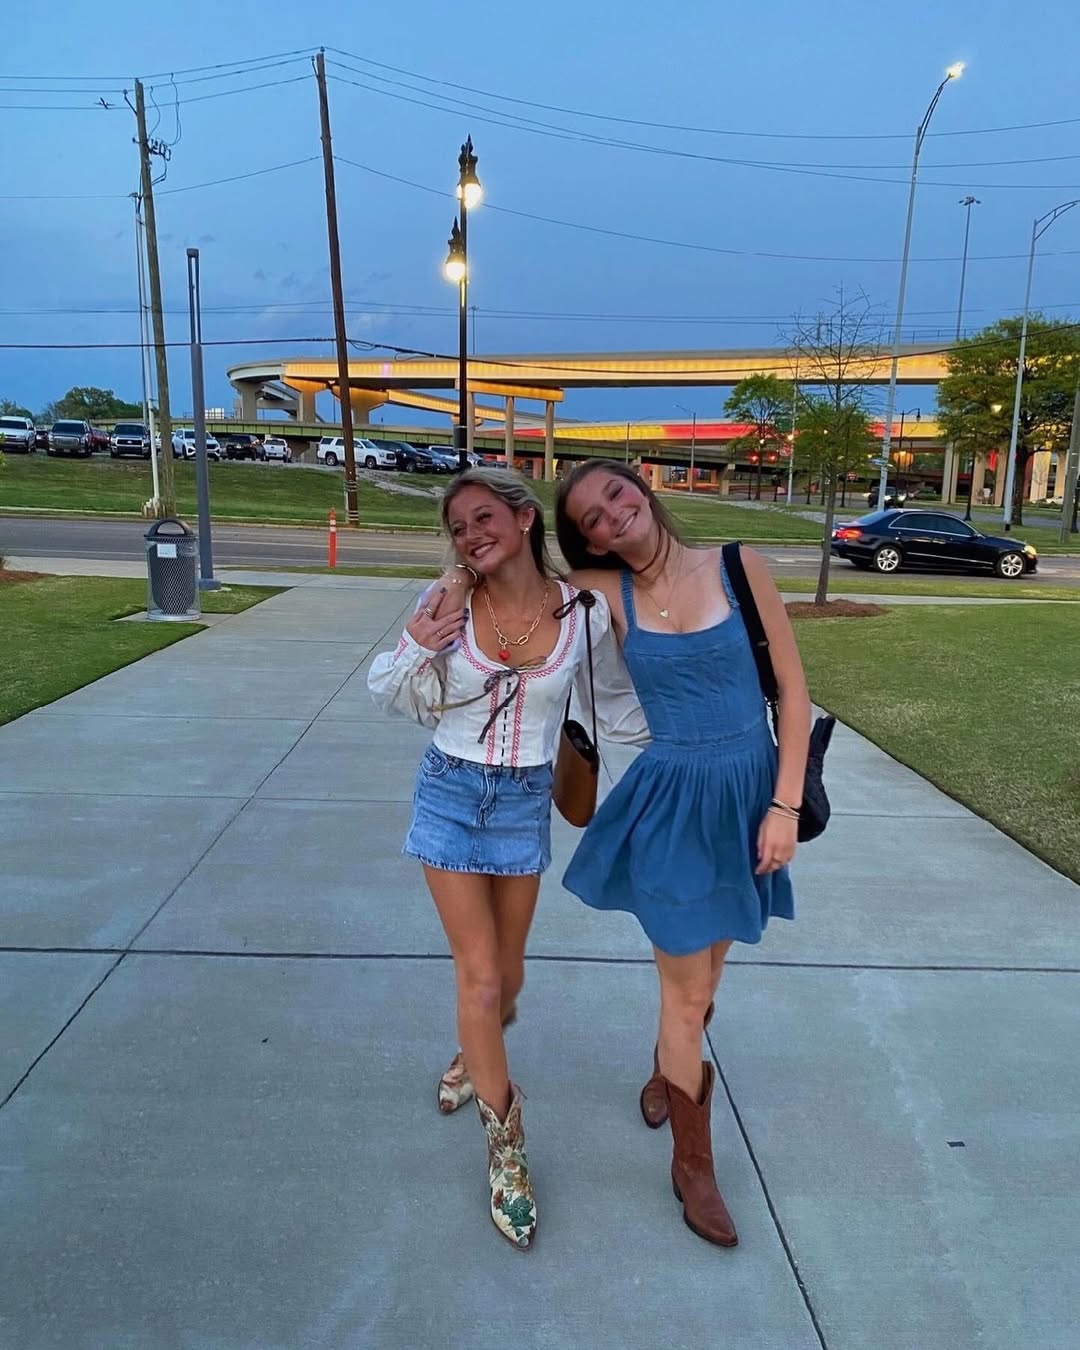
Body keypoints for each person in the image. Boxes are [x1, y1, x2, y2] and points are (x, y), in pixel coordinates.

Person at [367, 467, 642, 1250]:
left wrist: (683, 743)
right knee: (481, 979)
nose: (470, 535)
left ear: (523, 518)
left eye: (483, 517)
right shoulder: (450, 600)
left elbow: (614, 704)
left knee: (507, 980)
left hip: (523, 800)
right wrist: (420, 641)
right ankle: (507, 1150)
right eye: (457, 528)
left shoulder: (583, 613)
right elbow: (387, 691)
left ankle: (471, 1050)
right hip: (450, 793)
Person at [554, 459, 811, 1249]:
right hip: (670, 803)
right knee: (688, 993)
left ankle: (670, 1060)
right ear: (589, 540)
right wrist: (464, 569)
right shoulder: (601, 591)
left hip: (749, 799)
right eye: (592, 519)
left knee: (705, 978)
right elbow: (511, 585)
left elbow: (794, 693)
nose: (611, 516)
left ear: (643, 488)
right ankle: (693, 1167)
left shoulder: (738, 566)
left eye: (616, 494)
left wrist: (784, 806)